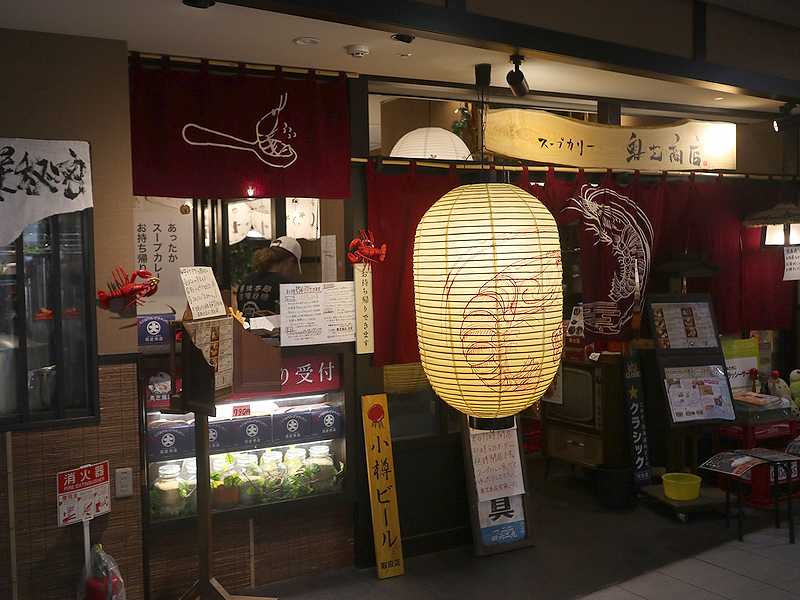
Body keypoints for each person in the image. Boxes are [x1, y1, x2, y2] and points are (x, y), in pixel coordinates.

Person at [236, 236, 302, 317]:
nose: (294, 273)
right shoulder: (284, 285)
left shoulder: (245, 282)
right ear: (290, 261)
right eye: (295, 267)